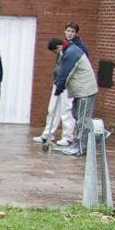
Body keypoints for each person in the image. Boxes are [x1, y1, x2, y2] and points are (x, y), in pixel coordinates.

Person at [54, 21, 98, 157]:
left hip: (85, 89)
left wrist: (59, 87)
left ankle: (81, 146)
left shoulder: (72, 51)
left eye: (72, 31)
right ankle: (81, 141)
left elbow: (66, 71)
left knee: (82, 119)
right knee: (76, 115)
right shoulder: (68, 49)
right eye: (68, 31)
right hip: (79, 89)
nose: (70, 33)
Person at [33, 36, 75, 147]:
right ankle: (47, 135)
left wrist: (62, 83)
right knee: (52, 109)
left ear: (58, 47)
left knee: (66, 110)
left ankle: (68, 137)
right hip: (58, 84)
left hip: (67, 86)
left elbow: (68, 71)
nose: (55, 53)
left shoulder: (68, 53)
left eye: (55, 51)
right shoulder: (60, 53)